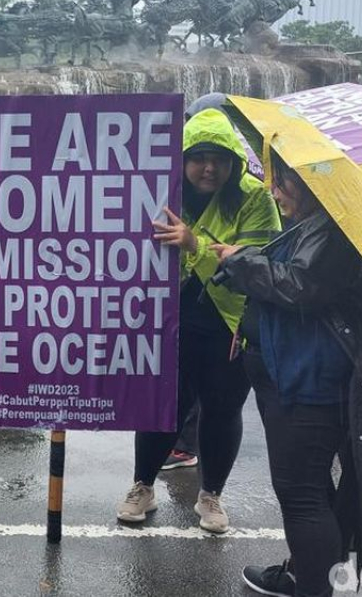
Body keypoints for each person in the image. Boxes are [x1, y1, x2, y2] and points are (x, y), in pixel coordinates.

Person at [214, 155, 362, 597]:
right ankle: (303, 572)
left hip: (310, 383)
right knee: (309, 489)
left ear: (312, 185)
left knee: (302, 494)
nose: (275, 192)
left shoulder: (336, 229)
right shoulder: (318, 223)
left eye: (284, 183)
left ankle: (309, 586)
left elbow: (300, 287)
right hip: (292, 373)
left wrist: (241, 262)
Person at [117, 109, 280, 534]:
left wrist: (195, 245)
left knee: (222, 410)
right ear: (182, 158)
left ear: (234, 161)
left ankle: (211, 495)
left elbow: (256, 265)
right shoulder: (158, 190)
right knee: (159, 407)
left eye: (220, 158)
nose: (209, 167)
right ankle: (142, 485)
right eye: (199, 157)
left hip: (228, 325)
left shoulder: (254, 198)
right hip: (167, 320)